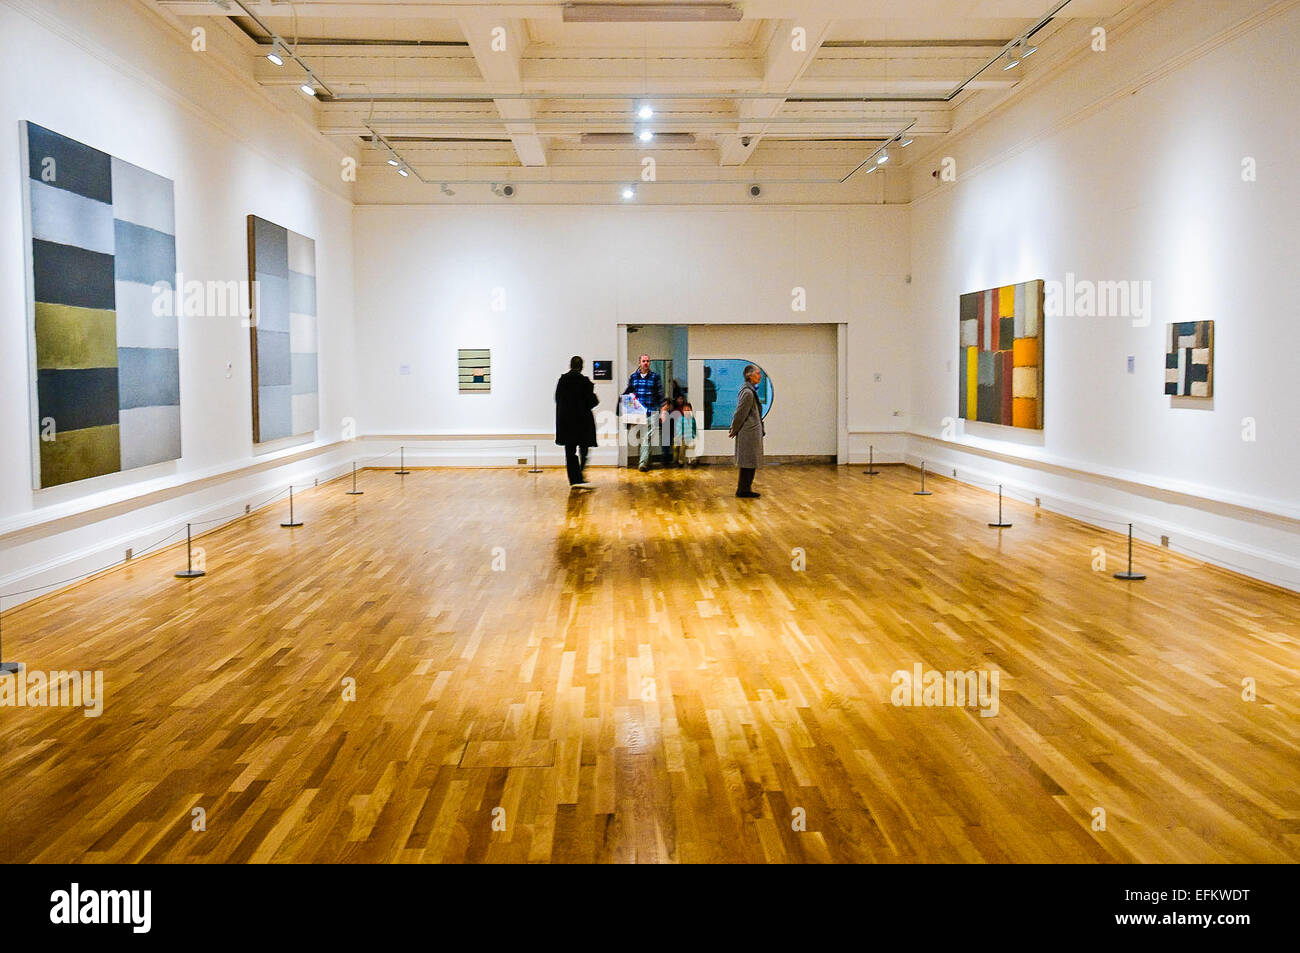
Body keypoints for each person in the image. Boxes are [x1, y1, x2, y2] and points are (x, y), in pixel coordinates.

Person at [555, 355, 599, 489]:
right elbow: (592, 402)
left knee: (570, 451)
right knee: (584, 448)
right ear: (581, 366)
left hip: (567, 422)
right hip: (583, 421)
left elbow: (557, 399)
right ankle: (580, 473)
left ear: (570, 365)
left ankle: (574, 478)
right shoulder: (584, 382)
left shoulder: (563, 380)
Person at [727, 364, 765, 498]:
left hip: (750, 431)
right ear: (750, 375)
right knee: (748, 462)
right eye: (758, 373)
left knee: (749, 462)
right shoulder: (748, 393)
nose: (760, 376)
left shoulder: (749, 391)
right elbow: (740, 412)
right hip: (748, 432)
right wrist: (734, 428)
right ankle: (744, 490)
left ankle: (745, 489)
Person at [622, 353, 663, 472]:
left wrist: (662, 409)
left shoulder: (655, 377)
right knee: (644, 439)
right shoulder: (633, 377)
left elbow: (660, 393)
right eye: (644, 361)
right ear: (639, 363)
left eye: (648, 361)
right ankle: (647, 460)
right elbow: (629, 393)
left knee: (645, 438)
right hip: (638, 413)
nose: (646, 363)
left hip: (652, 411)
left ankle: (642, 463)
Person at [675, 400, 697, 467]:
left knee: (694, 445)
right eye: (685, 410)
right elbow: (678, 428)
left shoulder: (692, 419)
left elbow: (694, 428)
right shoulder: (680, 419)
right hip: (683, 437)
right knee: (682, 447)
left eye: (688, 410)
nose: (687, 412)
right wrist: (680, 435)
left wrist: (693, 435)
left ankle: (693, 459)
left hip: (690, 437)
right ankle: (680, 460)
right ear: (682, 411)